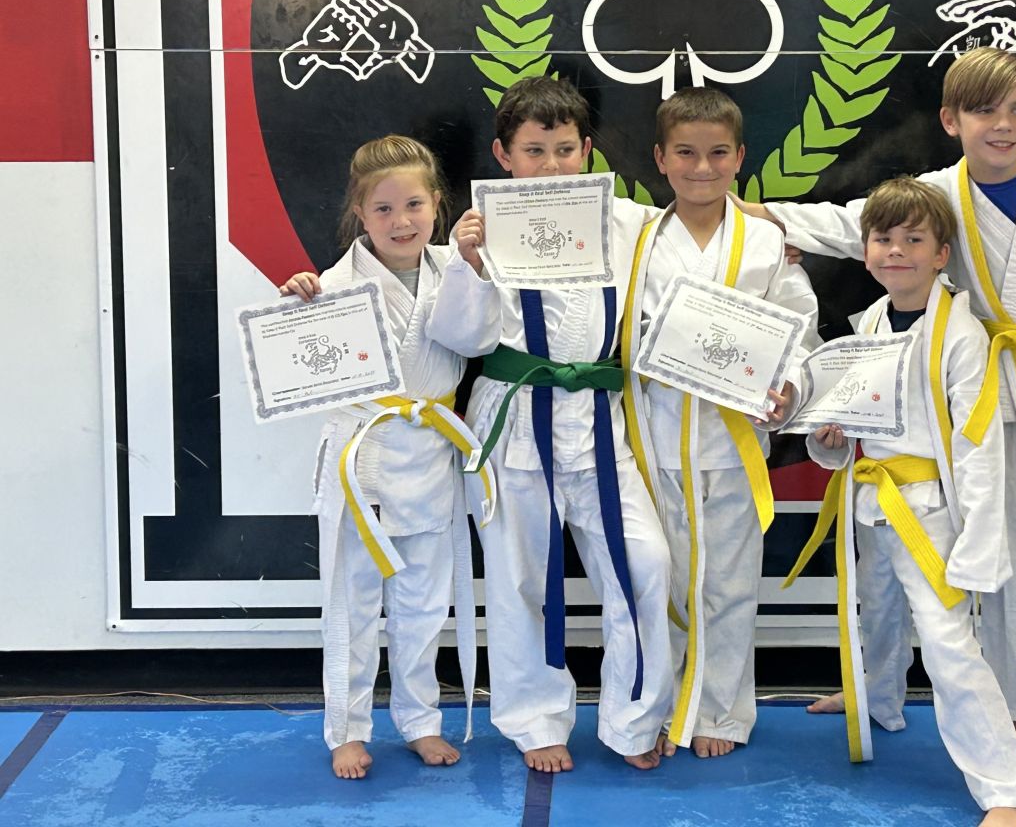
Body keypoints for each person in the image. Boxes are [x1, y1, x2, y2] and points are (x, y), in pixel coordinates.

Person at [740, 47, 1016, 771]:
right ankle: (1011, 715)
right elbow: (856, 226)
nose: (1002, 125)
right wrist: (761, 219)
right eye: (984, 111)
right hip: (995, 401)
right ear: (951, 120)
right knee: (1010, 567)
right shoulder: (937, 194)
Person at [427, 76, 673, 773]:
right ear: (503, 156)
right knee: (520, 580)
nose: (552, 166)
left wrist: (773, 240)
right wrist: (469, 267)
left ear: (587, 150)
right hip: (512, 418)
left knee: (646, 563)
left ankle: (633, 719)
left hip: (599, 420)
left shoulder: (630, 222)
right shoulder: (477, 232)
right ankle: (534, 719)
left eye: (565, 149)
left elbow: (697, 249)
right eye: (534, 151)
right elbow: (462, 340)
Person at [791, 176, 1016, 825]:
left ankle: (1005, 790)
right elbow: (857, 422)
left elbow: (979, 445)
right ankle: (878, 699)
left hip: (931, 512)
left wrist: (979, 541)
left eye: (913, 240)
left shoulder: (962, 336)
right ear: (865, 250)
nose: (895, 251)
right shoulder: (870, 322)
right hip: (873, 497)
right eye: (882, 238)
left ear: (942, 254)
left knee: (949, 644)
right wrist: (833, 438)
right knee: (879, 612)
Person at [622, 88, 819, 758]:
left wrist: (789, 389)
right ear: (660, 159)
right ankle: (659, 706)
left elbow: (800, 330)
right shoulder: (637, 237)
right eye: (685, 153)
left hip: (733, 440)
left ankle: (721, 713)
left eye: (716, 154)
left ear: (740, 158)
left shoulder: (766, 242)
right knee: (662, 581)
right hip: (653, 437)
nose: (701, 168)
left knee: (729, 584)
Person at [281, 135, 484, 781]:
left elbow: (483, 334)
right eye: (384, 209)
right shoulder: (332, 285)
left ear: (438, 205)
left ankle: (420, 720)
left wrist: (476, 268)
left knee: (424, 605)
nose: (401, 222)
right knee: (353, 604)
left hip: (430, 455)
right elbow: (299, 358)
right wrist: (298, 303)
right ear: (360, 214)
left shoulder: (459, 267)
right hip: (362, 460)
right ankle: (346, 729)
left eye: (414, 205)